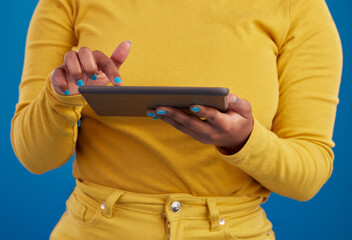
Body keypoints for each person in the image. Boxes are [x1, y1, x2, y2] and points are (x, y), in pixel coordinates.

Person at [11, 0, 342, 239]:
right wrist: (60, 96)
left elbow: (307, 176)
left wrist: (245, 140)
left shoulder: (299, 7)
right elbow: (35, 157)